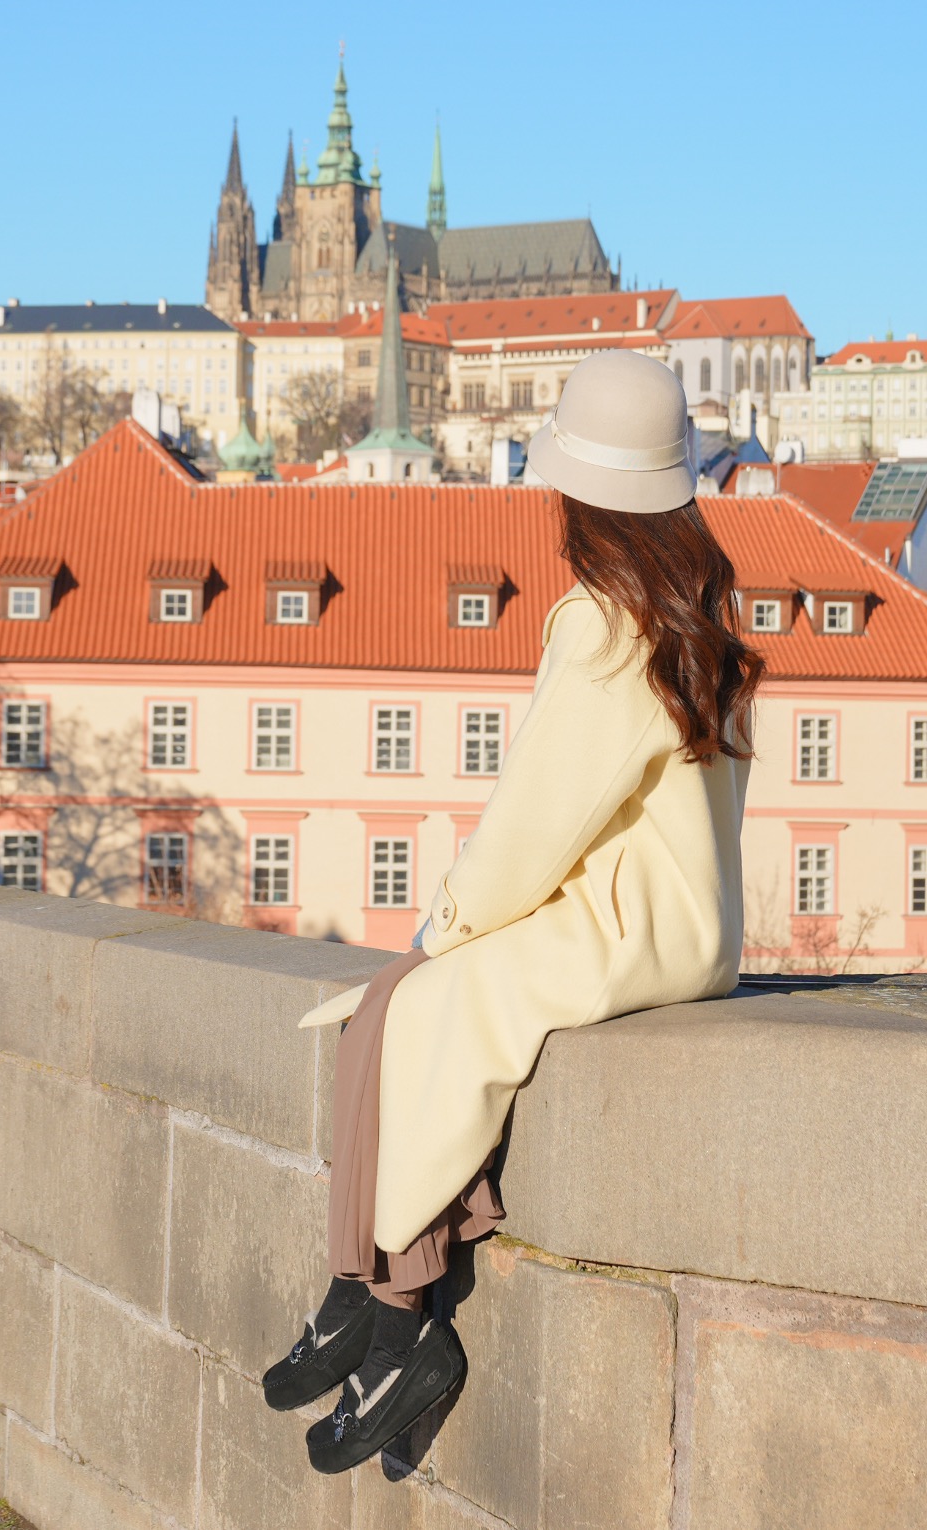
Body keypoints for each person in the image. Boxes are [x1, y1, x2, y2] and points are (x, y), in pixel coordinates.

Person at [261, 350, 763, 1474]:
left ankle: (398, 1323)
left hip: (623, 922)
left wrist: (448, 923)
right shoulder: (692, 609)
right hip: (684, 924)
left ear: (576, 497)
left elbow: (537, 818)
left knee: (421, 1000)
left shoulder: (605, 624)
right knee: (394, 1008)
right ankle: (360, 1292)